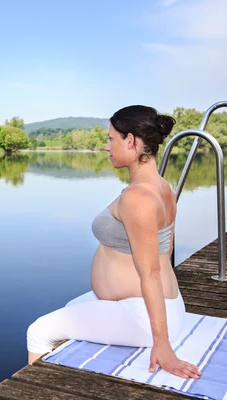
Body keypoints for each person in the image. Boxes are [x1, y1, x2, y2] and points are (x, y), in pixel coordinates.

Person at [26, 105, 202, 380]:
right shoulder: (161, 186)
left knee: (38, 331)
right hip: (159, 305)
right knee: (71, 309)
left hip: (141, 314)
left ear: (130, 140)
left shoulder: (138, 198)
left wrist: (162, 343)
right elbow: (165, 253)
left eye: (111, 138)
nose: (106, 146)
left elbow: (152, 272)